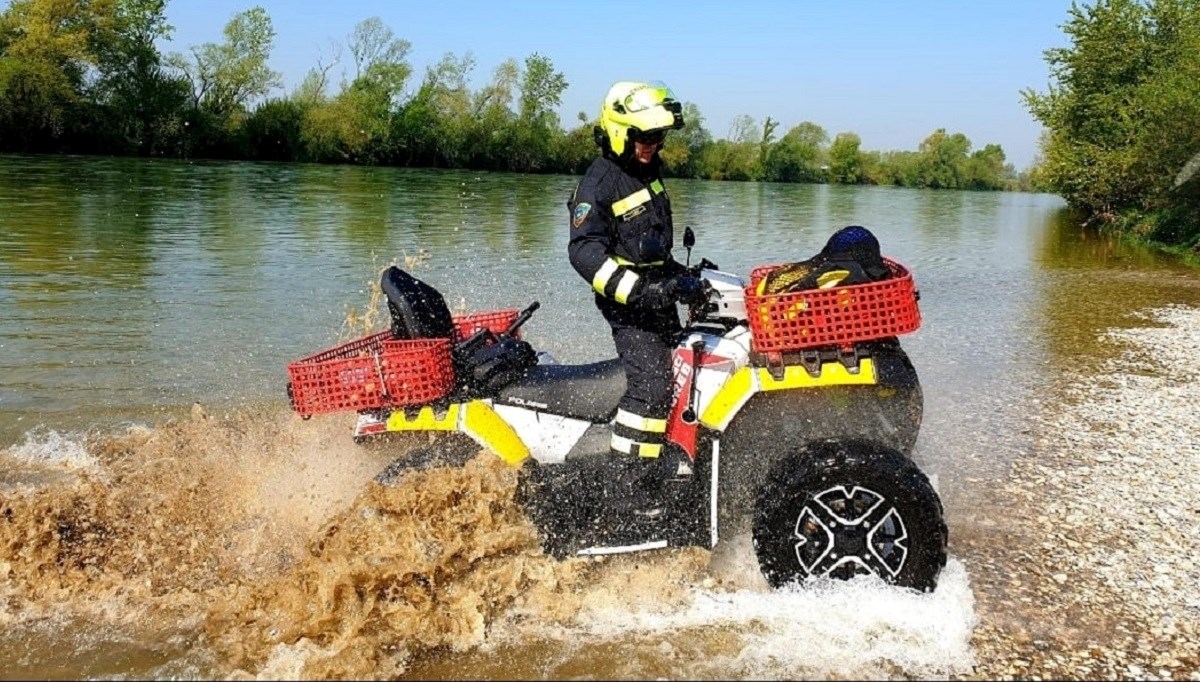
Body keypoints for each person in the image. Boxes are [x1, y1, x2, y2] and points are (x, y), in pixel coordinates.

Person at [566, 80, 707, 516]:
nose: (653, 145)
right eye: (645, 137)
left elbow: (650, 246)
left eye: (659, 137)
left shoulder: (646, 170)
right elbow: (584, 253)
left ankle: (672, 462)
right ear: (619, 132)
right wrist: (646, 291)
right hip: (629, 309)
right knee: (652, 389)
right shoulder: (599, 184)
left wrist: (686, 279)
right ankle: (624, 491)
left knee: (688, 376)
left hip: (658, 299)